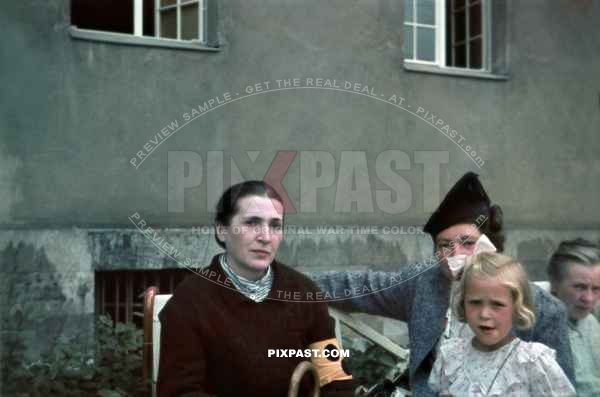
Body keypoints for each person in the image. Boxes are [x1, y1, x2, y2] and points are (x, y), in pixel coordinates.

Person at [311, 172, 574, 396]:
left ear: (492, 246)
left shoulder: (544, 310)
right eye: (444, 246)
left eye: (468, 243)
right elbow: (361, 286)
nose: (455, 255)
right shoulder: (424, 283)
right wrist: (285, 284)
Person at [157, 181, 354, 397]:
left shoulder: (304, 293)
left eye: (275, 226)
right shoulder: (190, 302)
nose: (265, 237)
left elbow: (335, 379)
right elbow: (180, 392)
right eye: (252, 223)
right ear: (222, 230)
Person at [428, 252, 575, 396]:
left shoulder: (532, 361)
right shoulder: (452, 356)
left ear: (517, 307)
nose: (484, 314)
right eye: (475, 303)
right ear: (463, 304)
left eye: (497, 304)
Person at [547, 238, 600, 396]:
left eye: (596, 289)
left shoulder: (590, 322)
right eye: (579, 287)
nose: (588, 298)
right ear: (554, 284)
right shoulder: (539, 330)